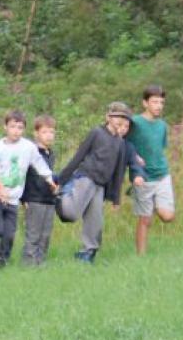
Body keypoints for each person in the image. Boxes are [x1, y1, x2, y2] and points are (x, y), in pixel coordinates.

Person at [54, 102, 144, 264]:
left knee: (95, 221)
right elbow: (79, 156)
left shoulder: (120, 143)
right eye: (118, 117)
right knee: (71, 214)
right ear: (108, 117)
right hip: (86, 177)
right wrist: (61, 180)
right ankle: (61, 195)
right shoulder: (97, 133)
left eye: (125, 119)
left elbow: (118, 172)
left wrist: (116, 199)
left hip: (100, 186)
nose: (121, 121)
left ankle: (87, 253)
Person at [0, 111, 50, 269]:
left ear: (24, 130)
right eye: (12, 127)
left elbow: (38, 163)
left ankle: (1, 264)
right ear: (5, 127)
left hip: (13, 198)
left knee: (9, 235)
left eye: (20, 127)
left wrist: (49, 178)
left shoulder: (28, 147)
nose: (16, 131)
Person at [128, 86, 176, 256]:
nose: (159, 106)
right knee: (145, 220)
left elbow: (160, 148)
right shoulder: (135, 123)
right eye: (155, 102)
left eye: (161, 102)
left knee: (167, 216)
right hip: (143, 177)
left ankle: (155, 203)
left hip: (162, 175)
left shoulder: (162, 125)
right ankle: (141, 257)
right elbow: (123, 144)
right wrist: (134, 157)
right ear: (145, 103)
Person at [19, 114, 63, 267]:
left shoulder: (51, 153)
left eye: (51, 132)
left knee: (45, 235)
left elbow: (49, 175)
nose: (49, 135)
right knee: (33, 234)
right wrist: (23, 198)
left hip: (49, 199)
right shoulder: (32, 152)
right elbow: (23, 175)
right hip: (34, 199)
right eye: (44, 132)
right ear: (36, 133)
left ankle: (40, 262)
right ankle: (28, 264)